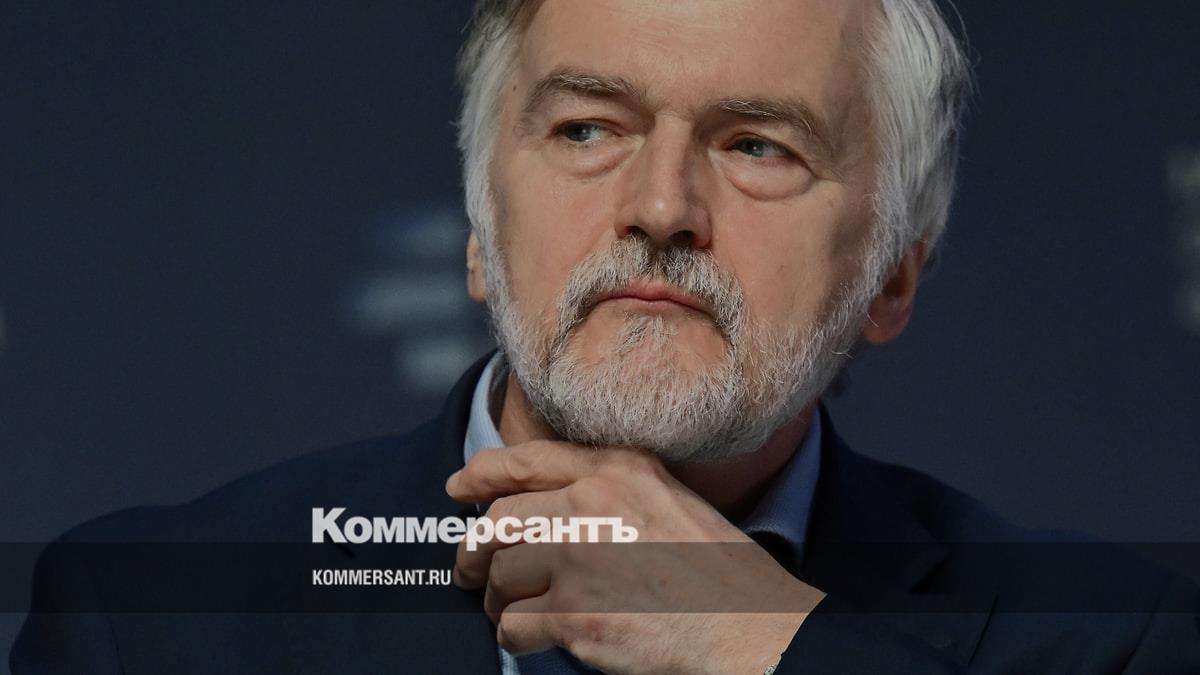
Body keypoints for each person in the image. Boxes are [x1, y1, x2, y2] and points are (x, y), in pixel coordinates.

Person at [11, 0, 1200, 673]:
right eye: (587, 130)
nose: (662, 207)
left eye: (758, 146)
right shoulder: (152, 617)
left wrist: (766, 644)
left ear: (891, 275)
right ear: (481, 233)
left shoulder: (1104, 639)